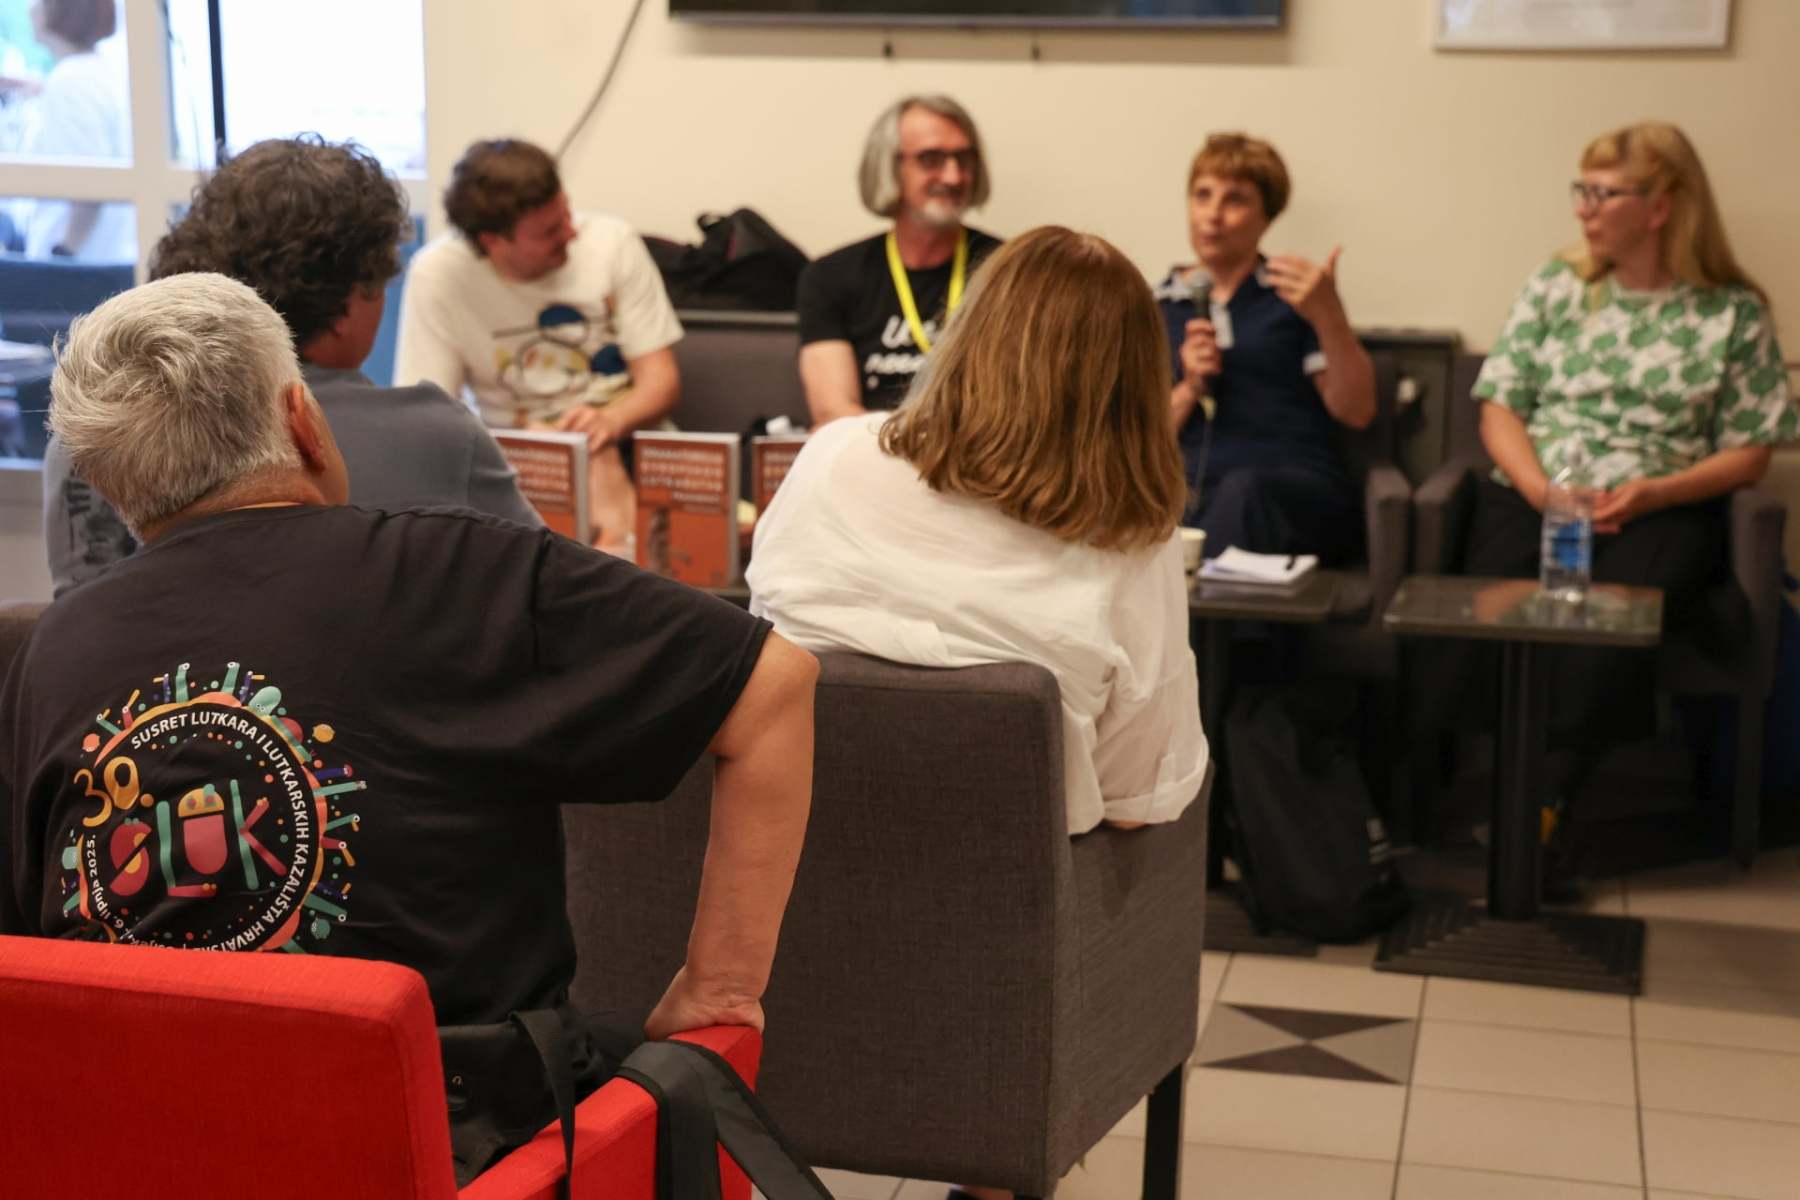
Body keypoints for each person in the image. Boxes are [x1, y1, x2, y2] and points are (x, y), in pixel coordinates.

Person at [3, 273, 817, 1099]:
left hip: (127, 1126)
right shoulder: (462, 571)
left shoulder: (56, 648)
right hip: (449, 1131)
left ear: (110, 483)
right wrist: (722, 987)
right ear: (303, 421)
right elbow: (773, 684)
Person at [751, 226, 1208, 844]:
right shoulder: (1135, 540)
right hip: (1014, 879)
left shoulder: (830, 453)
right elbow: (1137, 798)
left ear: (967, 332)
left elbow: (764, 633)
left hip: (786, 853)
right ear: (1134, 384)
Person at [41, 134, 543, 597]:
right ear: (347, 308)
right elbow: (544, 594)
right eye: (379, 286)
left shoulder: (93, 429)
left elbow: (82, 613)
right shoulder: (441, 438)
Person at [1454, 121, 1793, 777]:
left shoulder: (1733, 312)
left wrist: (1653, 494)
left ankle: (1554, 792)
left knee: (1612, 624)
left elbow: (1750, 452)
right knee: (1481, 614)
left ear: (1661, 208)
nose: (1584, 210)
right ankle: (1475, 792)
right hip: (1538, 496)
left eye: (1603, 194)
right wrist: (1542, 491)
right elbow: (1499, 408)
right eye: (1581, 191)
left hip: (1660, 507)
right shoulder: (1557, 285)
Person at [396, 138, 682, 554]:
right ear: (493, 241)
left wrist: (608, 422)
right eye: (550, 231)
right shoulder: (438, 274)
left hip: (623, 440)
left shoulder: (612, 243)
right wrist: (527, 443)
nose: (571, 233)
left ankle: (617, 555)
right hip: (512, 455)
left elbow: (662, 381)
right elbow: (427, 412)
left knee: (597, 459)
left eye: (566, 214)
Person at [1157, 132, 1376, 565]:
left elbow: (1358, 410)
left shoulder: (1295, 297)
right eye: (1203, 195)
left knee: (1243, 491)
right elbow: (1132, 441)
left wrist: (1329, 313)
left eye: (1234, 200)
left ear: (1266, 218)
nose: (1213, 215)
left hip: (1287, 488)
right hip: (1192, 492)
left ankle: (1203, 604)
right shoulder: (1155, 306)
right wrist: (1189, 387)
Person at [796, 95, 1001, 424]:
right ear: (889, 167)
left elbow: (1019, 406)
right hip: (870, 448)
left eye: (964, 158)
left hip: (976, 450)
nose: (953, 176)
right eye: (931, 159)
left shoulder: (1007, 269)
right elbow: (833, 414)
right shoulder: (830, 276)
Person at [10, 0, 131, 261]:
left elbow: (91, 186)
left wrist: (63, 253)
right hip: (104, 259)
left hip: (76, 263)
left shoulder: (71, 81)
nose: (31, 9)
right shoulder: (97, 70)